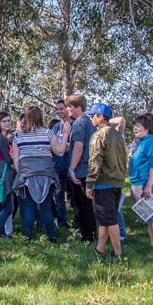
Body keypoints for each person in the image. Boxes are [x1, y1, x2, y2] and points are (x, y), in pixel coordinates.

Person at [12, 106, 69, 242]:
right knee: (46, 207)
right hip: (47, 175)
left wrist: (22, 175)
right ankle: (51, 236)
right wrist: (66, 133)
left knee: (29, 208)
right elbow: (60, 151)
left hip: (27, 175)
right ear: (40, 117)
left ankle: (28, 237)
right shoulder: (48, 133)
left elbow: (16, 161)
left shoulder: (18, 136)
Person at [84, 103, 127, 257]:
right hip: (116, 181)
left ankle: (118, 253)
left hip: (103, 182)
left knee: (109, 219)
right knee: (104, 218)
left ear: (100, 117)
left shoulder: (99, 135)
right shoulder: (117, 135)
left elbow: (95, 160)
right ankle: (100, 249)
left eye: (93, 116)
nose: (91, 119)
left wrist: (90, 183)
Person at [66, 94, 97, 242]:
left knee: (82, 205)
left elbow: (78, 147)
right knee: (88, 204)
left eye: (70, 107)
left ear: (78, 107)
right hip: (88, 168)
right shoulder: (89, 122)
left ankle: (87, 236)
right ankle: (92, 232)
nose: (68, 110)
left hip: (80, 170)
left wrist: (72, 168)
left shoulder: (78, 123)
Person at [129, 114, 153, 248]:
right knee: (147, 216)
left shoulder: (152, 141)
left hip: (146, 183)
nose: (135, 128)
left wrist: (148, 186)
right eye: (134, 126)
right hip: (138, 182)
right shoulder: (142, 142)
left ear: (147, 128)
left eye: (138, 126)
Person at [0, 111, 15, 237]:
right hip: (3, 172)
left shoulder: (2, 137)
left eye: (9, 121)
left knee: (2, 204)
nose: (7, 123)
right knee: (8, 206)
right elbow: (7, 158)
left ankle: (0, 232)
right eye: (4, 121)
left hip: (2, 171)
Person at [50, 100, 73, 229]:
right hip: (58, 166)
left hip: (71, 166)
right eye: (57, 109)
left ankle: (79, 223)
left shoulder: (75, 125)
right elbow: (53, 147)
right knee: (59, 197)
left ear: (67, 109)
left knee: (74, 197)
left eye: (61, 108)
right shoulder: (56, 127)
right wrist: (63, 146)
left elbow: (75, 147)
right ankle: (62, 223)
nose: (59, 111)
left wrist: (61, 146)